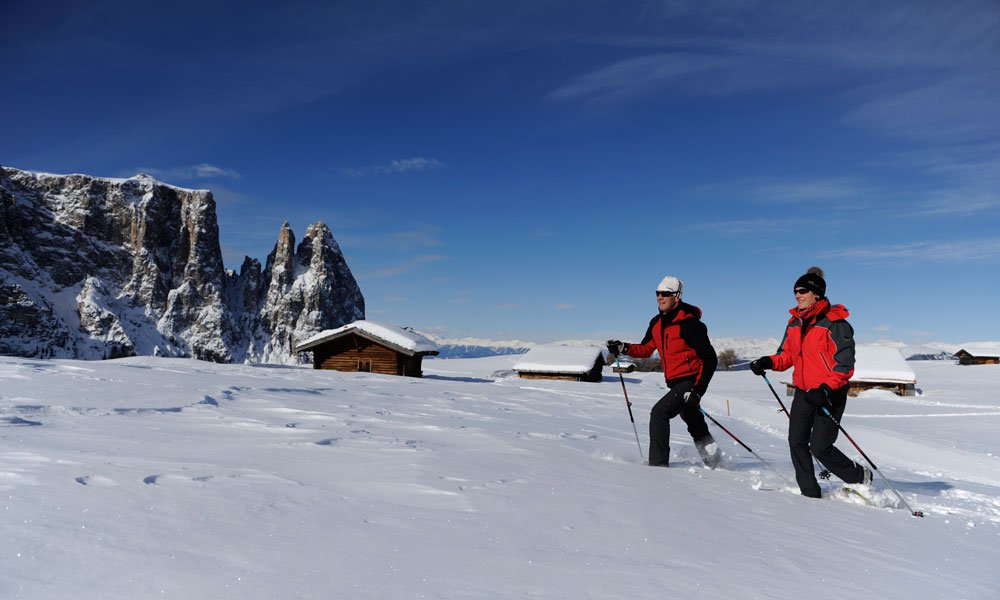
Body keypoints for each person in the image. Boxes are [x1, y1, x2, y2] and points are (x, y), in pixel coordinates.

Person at [749, 267, 872, 498]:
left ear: (817, 293)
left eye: (802, 290)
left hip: (829, 394)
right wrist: (767, 361)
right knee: (796, 442)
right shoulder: (795, 323)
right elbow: (787, 356)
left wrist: (826, 388)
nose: (797, 295)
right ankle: (809, 493)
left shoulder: (836, 324)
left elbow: (844, 365)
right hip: (804, 393)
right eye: (795, 291)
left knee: (820, 447)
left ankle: (859, 477)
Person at [607, 275, 720, 468]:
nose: (660, 297)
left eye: (665, 293)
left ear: (677, 296)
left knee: (659, 413)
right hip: (675, 382)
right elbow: (646, 349)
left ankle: (658, 467)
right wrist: (623, 348)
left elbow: (710, 359)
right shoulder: (656, 323)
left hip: (690, 380)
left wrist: (697, 391)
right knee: (695, 424)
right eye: (657, 293)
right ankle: (717, 463)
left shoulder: (690, 324)